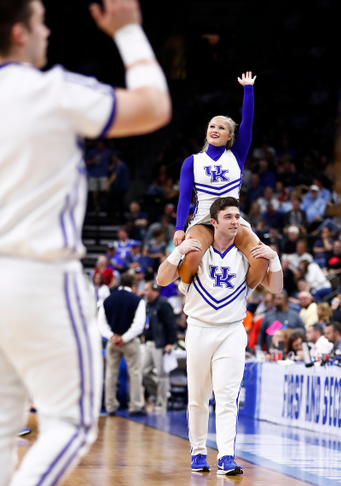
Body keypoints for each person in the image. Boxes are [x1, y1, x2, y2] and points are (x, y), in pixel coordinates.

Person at [0, 0, 171, 486]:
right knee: (70, 424)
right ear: (19, 32)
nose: (47, 30)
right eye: (40, 21)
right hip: (38, 276)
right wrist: (131, 32)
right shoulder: (50, 90)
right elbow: (153, 107)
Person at [156, 196, 283, 475]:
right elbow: (161, 280)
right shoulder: (196, 252)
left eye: (238, 217)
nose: (235, 221)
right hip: (200, 328)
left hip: (232, 330)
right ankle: (198, 451)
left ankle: (226, 456)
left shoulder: (248, 257)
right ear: (213, 222)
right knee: (198, 397)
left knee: (227, 397)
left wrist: (274, 260)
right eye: (229, 217)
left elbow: (276, 289)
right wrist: (177, 252)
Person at [173, 72, 268, 295]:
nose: (215, 130)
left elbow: (248, 121)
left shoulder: (237, 156)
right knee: (193, 255)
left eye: (221, 128)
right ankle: (186, 284)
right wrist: (179, 228)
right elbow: (184, 197)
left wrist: (248, 89)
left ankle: (244, 291)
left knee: (261, 258)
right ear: (207, 133)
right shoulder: (192, 161)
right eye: (211, 126)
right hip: (204, 219)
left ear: (229, 137)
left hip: (232, 220)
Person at [98, 273, 146, 416]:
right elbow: (138, 325)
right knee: (135, 373)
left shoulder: (107, 300)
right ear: (134, 285)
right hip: (130, 342)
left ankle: (110, 405)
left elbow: (101, 323)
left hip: (112, 342)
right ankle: (135, 406)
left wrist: (112, 336)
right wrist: (124, 338)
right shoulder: (138, 300)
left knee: (111, 374)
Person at [142, 281, 177, 412]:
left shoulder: (163, 304)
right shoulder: (148, 305)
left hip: (161, 343)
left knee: (162, 374)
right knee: (144, 371)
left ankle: (162, 403)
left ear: (154, 291)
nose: (144, 292)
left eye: (146, 290)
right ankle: (161, 394)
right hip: (149, 343)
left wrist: (170, 342)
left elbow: (171, 324)